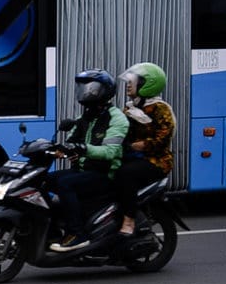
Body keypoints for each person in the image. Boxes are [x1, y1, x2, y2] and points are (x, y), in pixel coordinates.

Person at [47, 69, 129, 252]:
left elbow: (110, 152)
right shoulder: (84, 117)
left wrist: (83, 149)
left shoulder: (116, 118)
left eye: (91, 88)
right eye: (83, 88)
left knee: (65, 184)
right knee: (44, 181)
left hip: (104, 173)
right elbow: (70, 142)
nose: (86, 92)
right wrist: (56, 149)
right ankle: (51, 231)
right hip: (84, 171)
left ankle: (77, 234)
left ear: (105, 91)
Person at [115, 62, 176, 235]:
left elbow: (162, 140)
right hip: (133, 156)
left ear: (147, 84)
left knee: (126, 173)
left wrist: (138, 145)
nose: (128, 84)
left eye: (133, 81)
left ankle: (129, 220)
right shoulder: (130, 108)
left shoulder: (160, 109)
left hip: (156, 161)